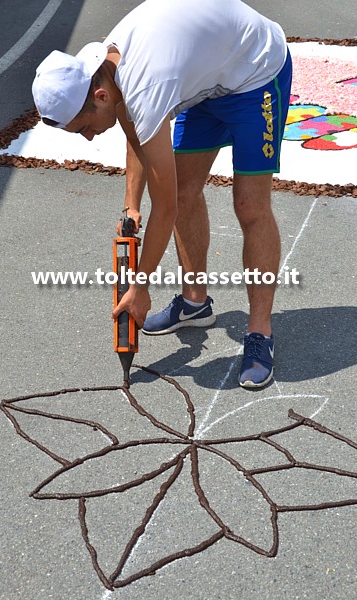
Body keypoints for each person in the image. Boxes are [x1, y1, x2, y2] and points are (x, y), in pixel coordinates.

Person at [32, 0, 292, 389]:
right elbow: (136, 133)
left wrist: (139, 288)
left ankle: (260, 332)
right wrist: (130, 205)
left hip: (255, 72)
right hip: (208, 79)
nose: (88, 137)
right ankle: (194, 302)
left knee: (249, 205)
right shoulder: (108, 69)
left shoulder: (146, 84)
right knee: (187, 191)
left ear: (99, 96)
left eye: (83, 126)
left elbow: (164, 205)